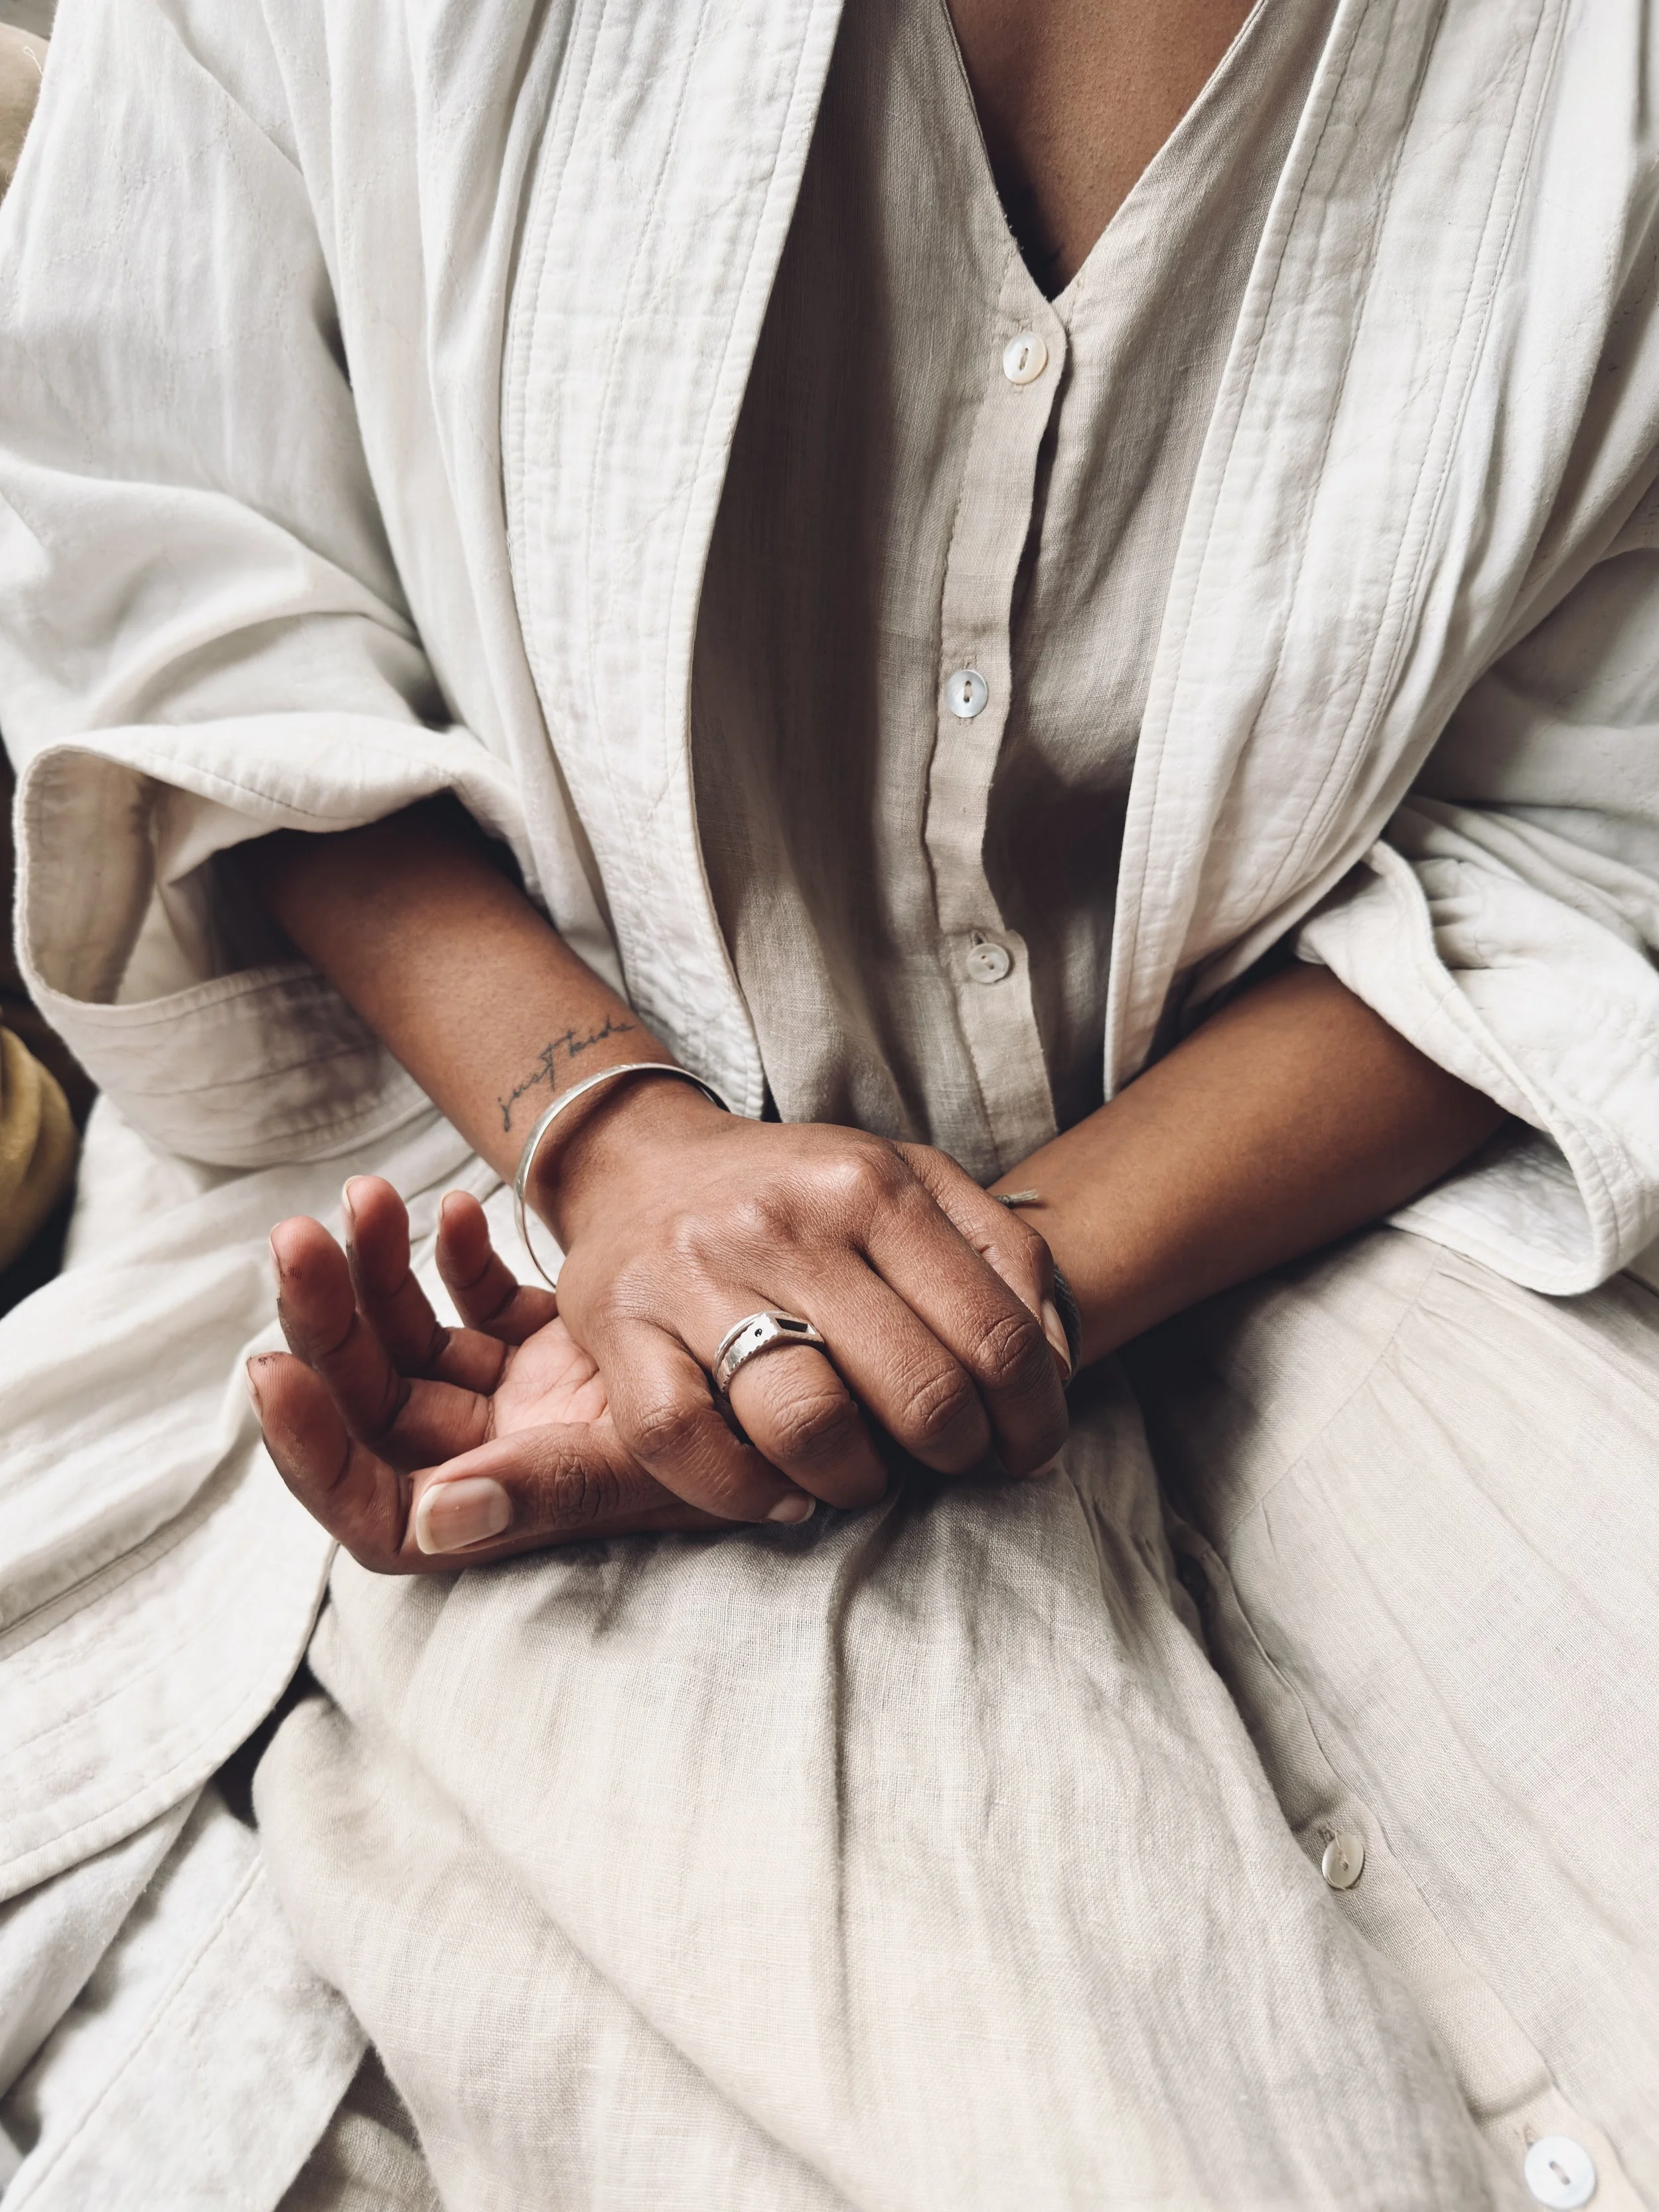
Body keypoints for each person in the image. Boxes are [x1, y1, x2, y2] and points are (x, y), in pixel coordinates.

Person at [1, 0, 1657, 2203]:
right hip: (496, 1204)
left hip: (1335, 1155)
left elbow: (1589, 835)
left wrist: (967, 1286)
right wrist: (622, 1147)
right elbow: (165, 552)